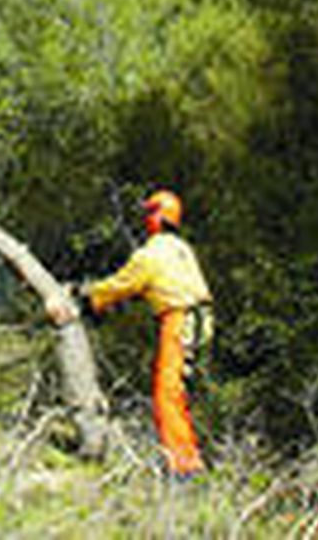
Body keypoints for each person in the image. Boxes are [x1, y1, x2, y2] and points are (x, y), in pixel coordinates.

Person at [76, 189, 213, 476]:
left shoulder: (152, 253)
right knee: (180, 393)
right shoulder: (181, 249)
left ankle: (183, 467)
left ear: (157, 217)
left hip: (178, 319)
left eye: (149, 213)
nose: (145, 220)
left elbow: (122, 284)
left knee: (166, 394)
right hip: (202, 320)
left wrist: (90, 297)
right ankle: (190, 456)